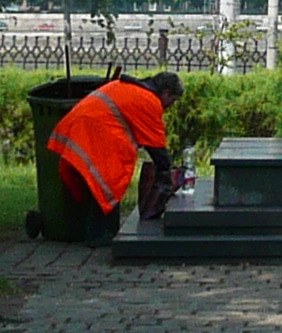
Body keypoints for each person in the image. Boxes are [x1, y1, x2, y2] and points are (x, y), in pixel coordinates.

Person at [47, 70, 184, 241]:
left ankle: (78, 229)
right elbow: (157, 148)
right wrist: (167, 175)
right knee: (107, 183)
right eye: (173, 99)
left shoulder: (125, 87)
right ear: (165, 92)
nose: (171, 105)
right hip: (95, 134)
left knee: (90, 185)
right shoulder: (149, 101)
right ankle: (99, 235)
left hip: (79, 128)